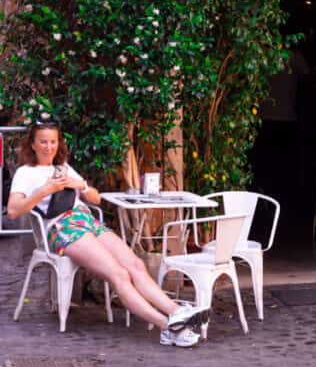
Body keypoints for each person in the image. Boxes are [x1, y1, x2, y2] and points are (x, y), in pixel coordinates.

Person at [7, 120, 205, 346]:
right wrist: (45, 190)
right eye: (42, 142)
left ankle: (177, 312)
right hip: (62, 227)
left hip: (87, 221)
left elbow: (96, 199)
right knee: (118, 274)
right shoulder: (25, 172)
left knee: (136, 265)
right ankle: (167, 326)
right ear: (32, 144)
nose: (48, 147)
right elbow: (13, 211)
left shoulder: (63, 167)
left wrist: (79, 184)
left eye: (52, 142)